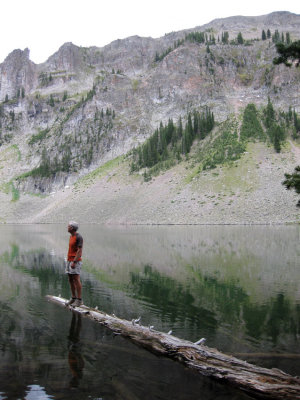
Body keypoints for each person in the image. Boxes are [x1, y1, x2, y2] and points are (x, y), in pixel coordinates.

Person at [65, 221, 83, 307]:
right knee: (70, 279)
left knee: (76, 279)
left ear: (72, 228)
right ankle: (73, 298)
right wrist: (69, 261)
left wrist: (74, 262)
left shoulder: (78, 237)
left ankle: (79, 300)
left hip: (75, 261)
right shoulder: (71, 236)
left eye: (68, 226)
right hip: (69, 260)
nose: (67, 227)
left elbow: (79, 251)